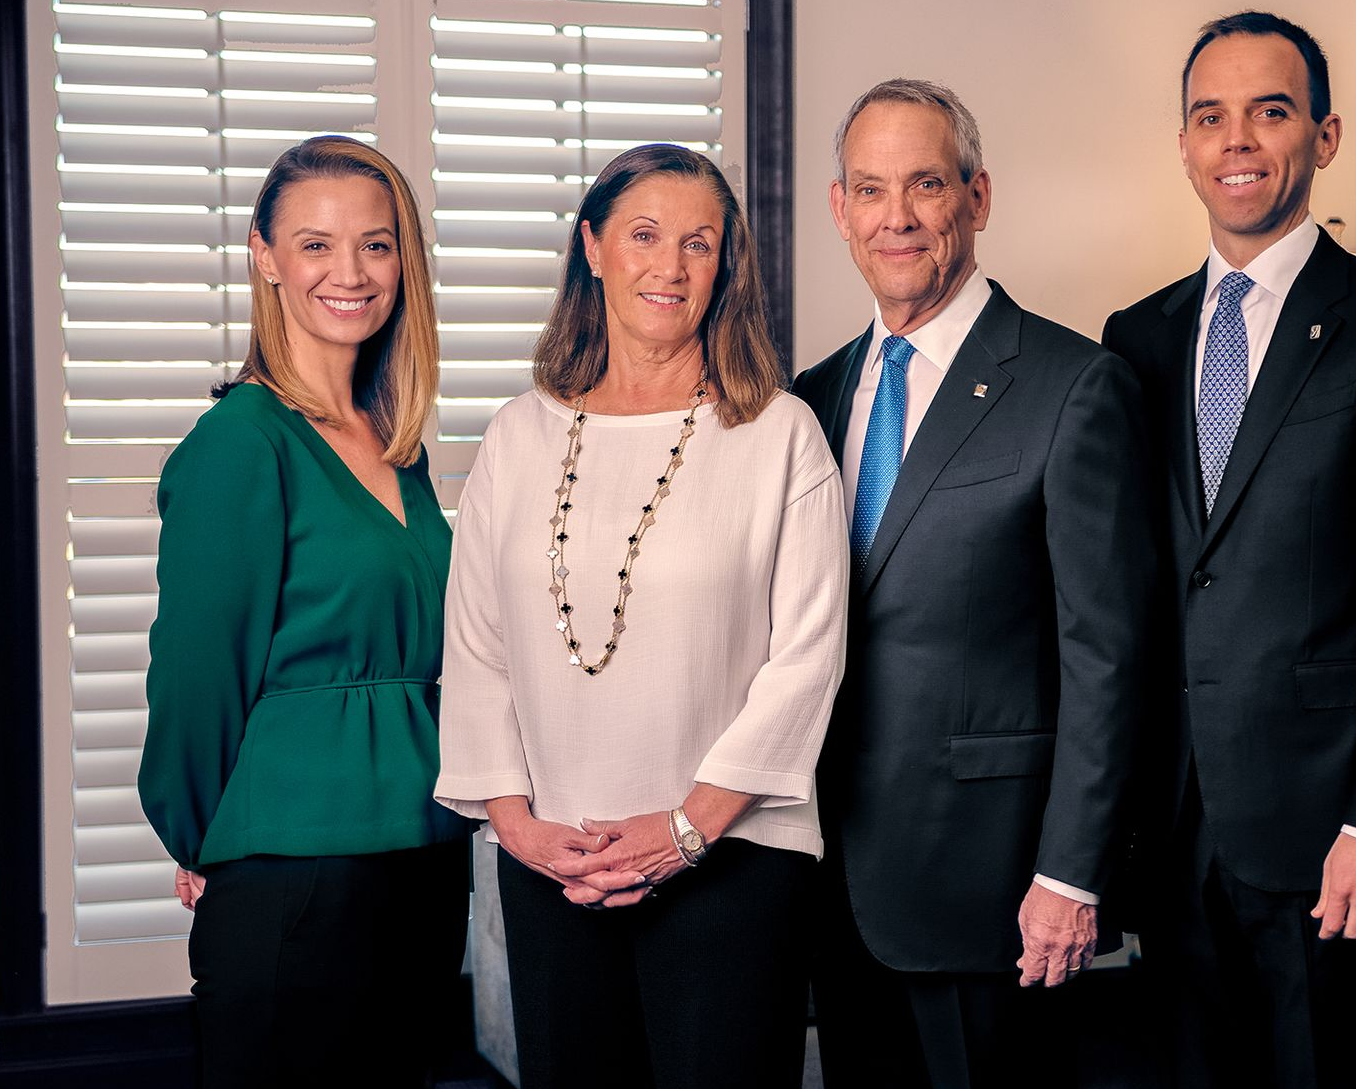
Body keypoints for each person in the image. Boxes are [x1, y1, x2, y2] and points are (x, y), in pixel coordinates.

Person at [1101, 11, 1356, 1088]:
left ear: (1321, 136)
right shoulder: (1134, 337)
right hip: (1172, 830)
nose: (1235, 140)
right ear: (1181, 145)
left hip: (1329, 834)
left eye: (1267, 112)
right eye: (1208, 117)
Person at [434, 143, 847, 1089]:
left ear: (725, 265)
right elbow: (478, 649)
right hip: (551, 863)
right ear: (592, 246)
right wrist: (518, 826)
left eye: (698, 243)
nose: (669, 267)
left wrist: (686, 829)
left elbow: (808, 658)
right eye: (644, 236)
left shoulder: (778, 435)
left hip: (732, 859)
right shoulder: (517, 435)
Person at [792, 79, 1156, 1088]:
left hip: (993, 885)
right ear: (839, 210)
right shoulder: (807, 399)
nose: (896, 217)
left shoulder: (1071, 386)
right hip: (833, 880)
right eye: (869, 190)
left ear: (977, 197)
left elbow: (1108, 654)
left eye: (924, 185)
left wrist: (1070, 871)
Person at [137, 135, 474, 1088]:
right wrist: (200, 838)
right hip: (292, 868)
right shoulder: (241, 443)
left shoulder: (393, 445)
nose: (350, 272)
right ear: (264, 255)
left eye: (375, 244)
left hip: (422, 852)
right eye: (315, 244)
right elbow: (197, 674)